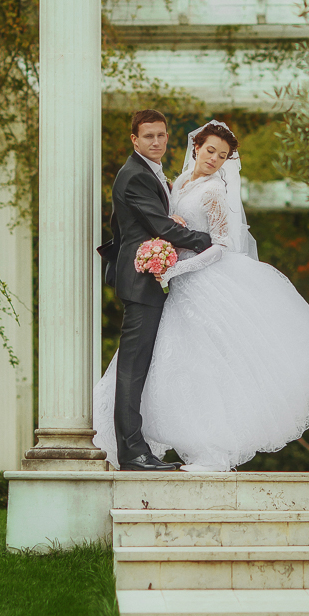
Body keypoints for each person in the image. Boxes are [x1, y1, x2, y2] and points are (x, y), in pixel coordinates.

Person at [94, 119, 309, 472]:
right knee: (171, 368)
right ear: (196, 147)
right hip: (170, 286)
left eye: (223, 155)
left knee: (206, 367)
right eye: (210, 150)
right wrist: (174, 246)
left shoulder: (215, 191)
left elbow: (223, 244)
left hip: (196, 281)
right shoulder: (179, 182)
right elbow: (160, 223)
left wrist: (175, 268)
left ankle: (209, 449)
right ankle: (138, 448)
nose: (214, 159)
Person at [98, 109, 212, 471]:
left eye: (162, 135)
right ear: (134, 140)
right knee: (132, 370)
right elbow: (160, 226)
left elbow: (132, 223)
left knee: (139, 368)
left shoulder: (146, 172)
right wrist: (207, 240)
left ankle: (138, 448)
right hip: (140, 282)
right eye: (149, 136)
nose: (158, 142)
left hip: (146, 279)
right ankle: (132, 453)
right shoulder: (134, 176)